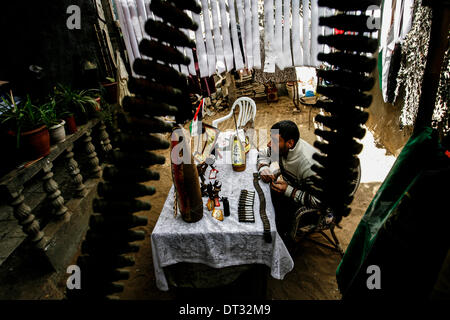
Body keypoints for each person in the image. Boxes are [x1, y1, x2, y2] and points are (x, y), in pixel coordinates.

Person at [257, 120, 321, 243]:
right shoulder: (281, 148)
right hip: (294, 190)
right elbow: (263, 154)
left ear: (290, 143)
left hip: (312, 209)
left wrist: (289, 190)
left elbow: (319, 201)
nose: (270, 144)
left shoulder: (308, 165)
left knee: (274, 218)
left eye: (275, 141)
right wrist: (264, 168)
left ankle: (282, 243)